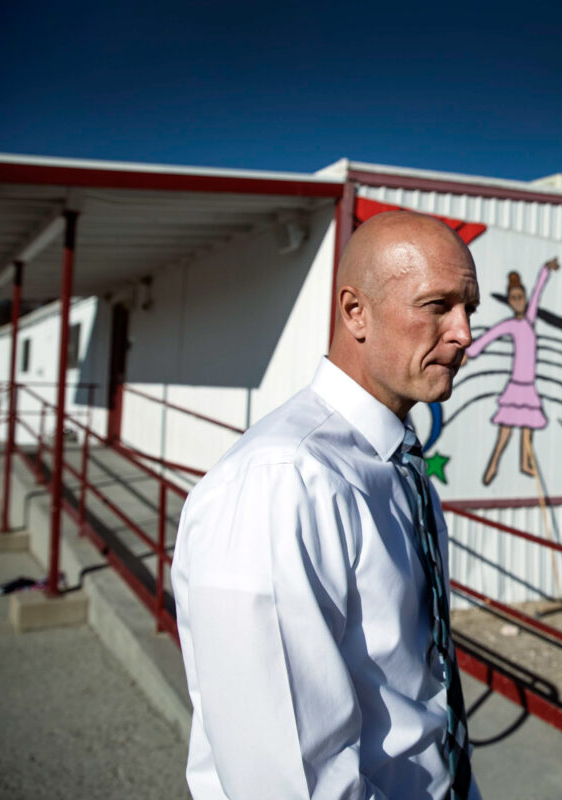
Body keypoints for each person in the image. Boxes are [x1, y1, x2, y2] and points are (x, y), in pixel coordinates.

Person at [171, 210, 481, 799]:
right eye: (437, 305)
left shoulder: (396, 464)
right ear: (354, 312)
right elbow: (288, 779)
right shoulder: (282, 484)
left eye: (469, 308)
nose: (464, 333)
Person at [464, 257, 559, 485]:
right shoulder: (511, 325)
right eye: (514, 298)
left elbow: (538, 292)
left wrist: (546, 270)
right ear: (510, 301)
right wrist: (470, 353)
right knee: (505, 431)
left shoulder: (529, 320)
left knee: (528, 428)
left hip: (529, 385)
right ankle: (494, 462)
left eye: (521, 297)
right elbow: (489, 336)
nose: (519, 301)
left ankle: (525, 462)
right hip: (517, 385)